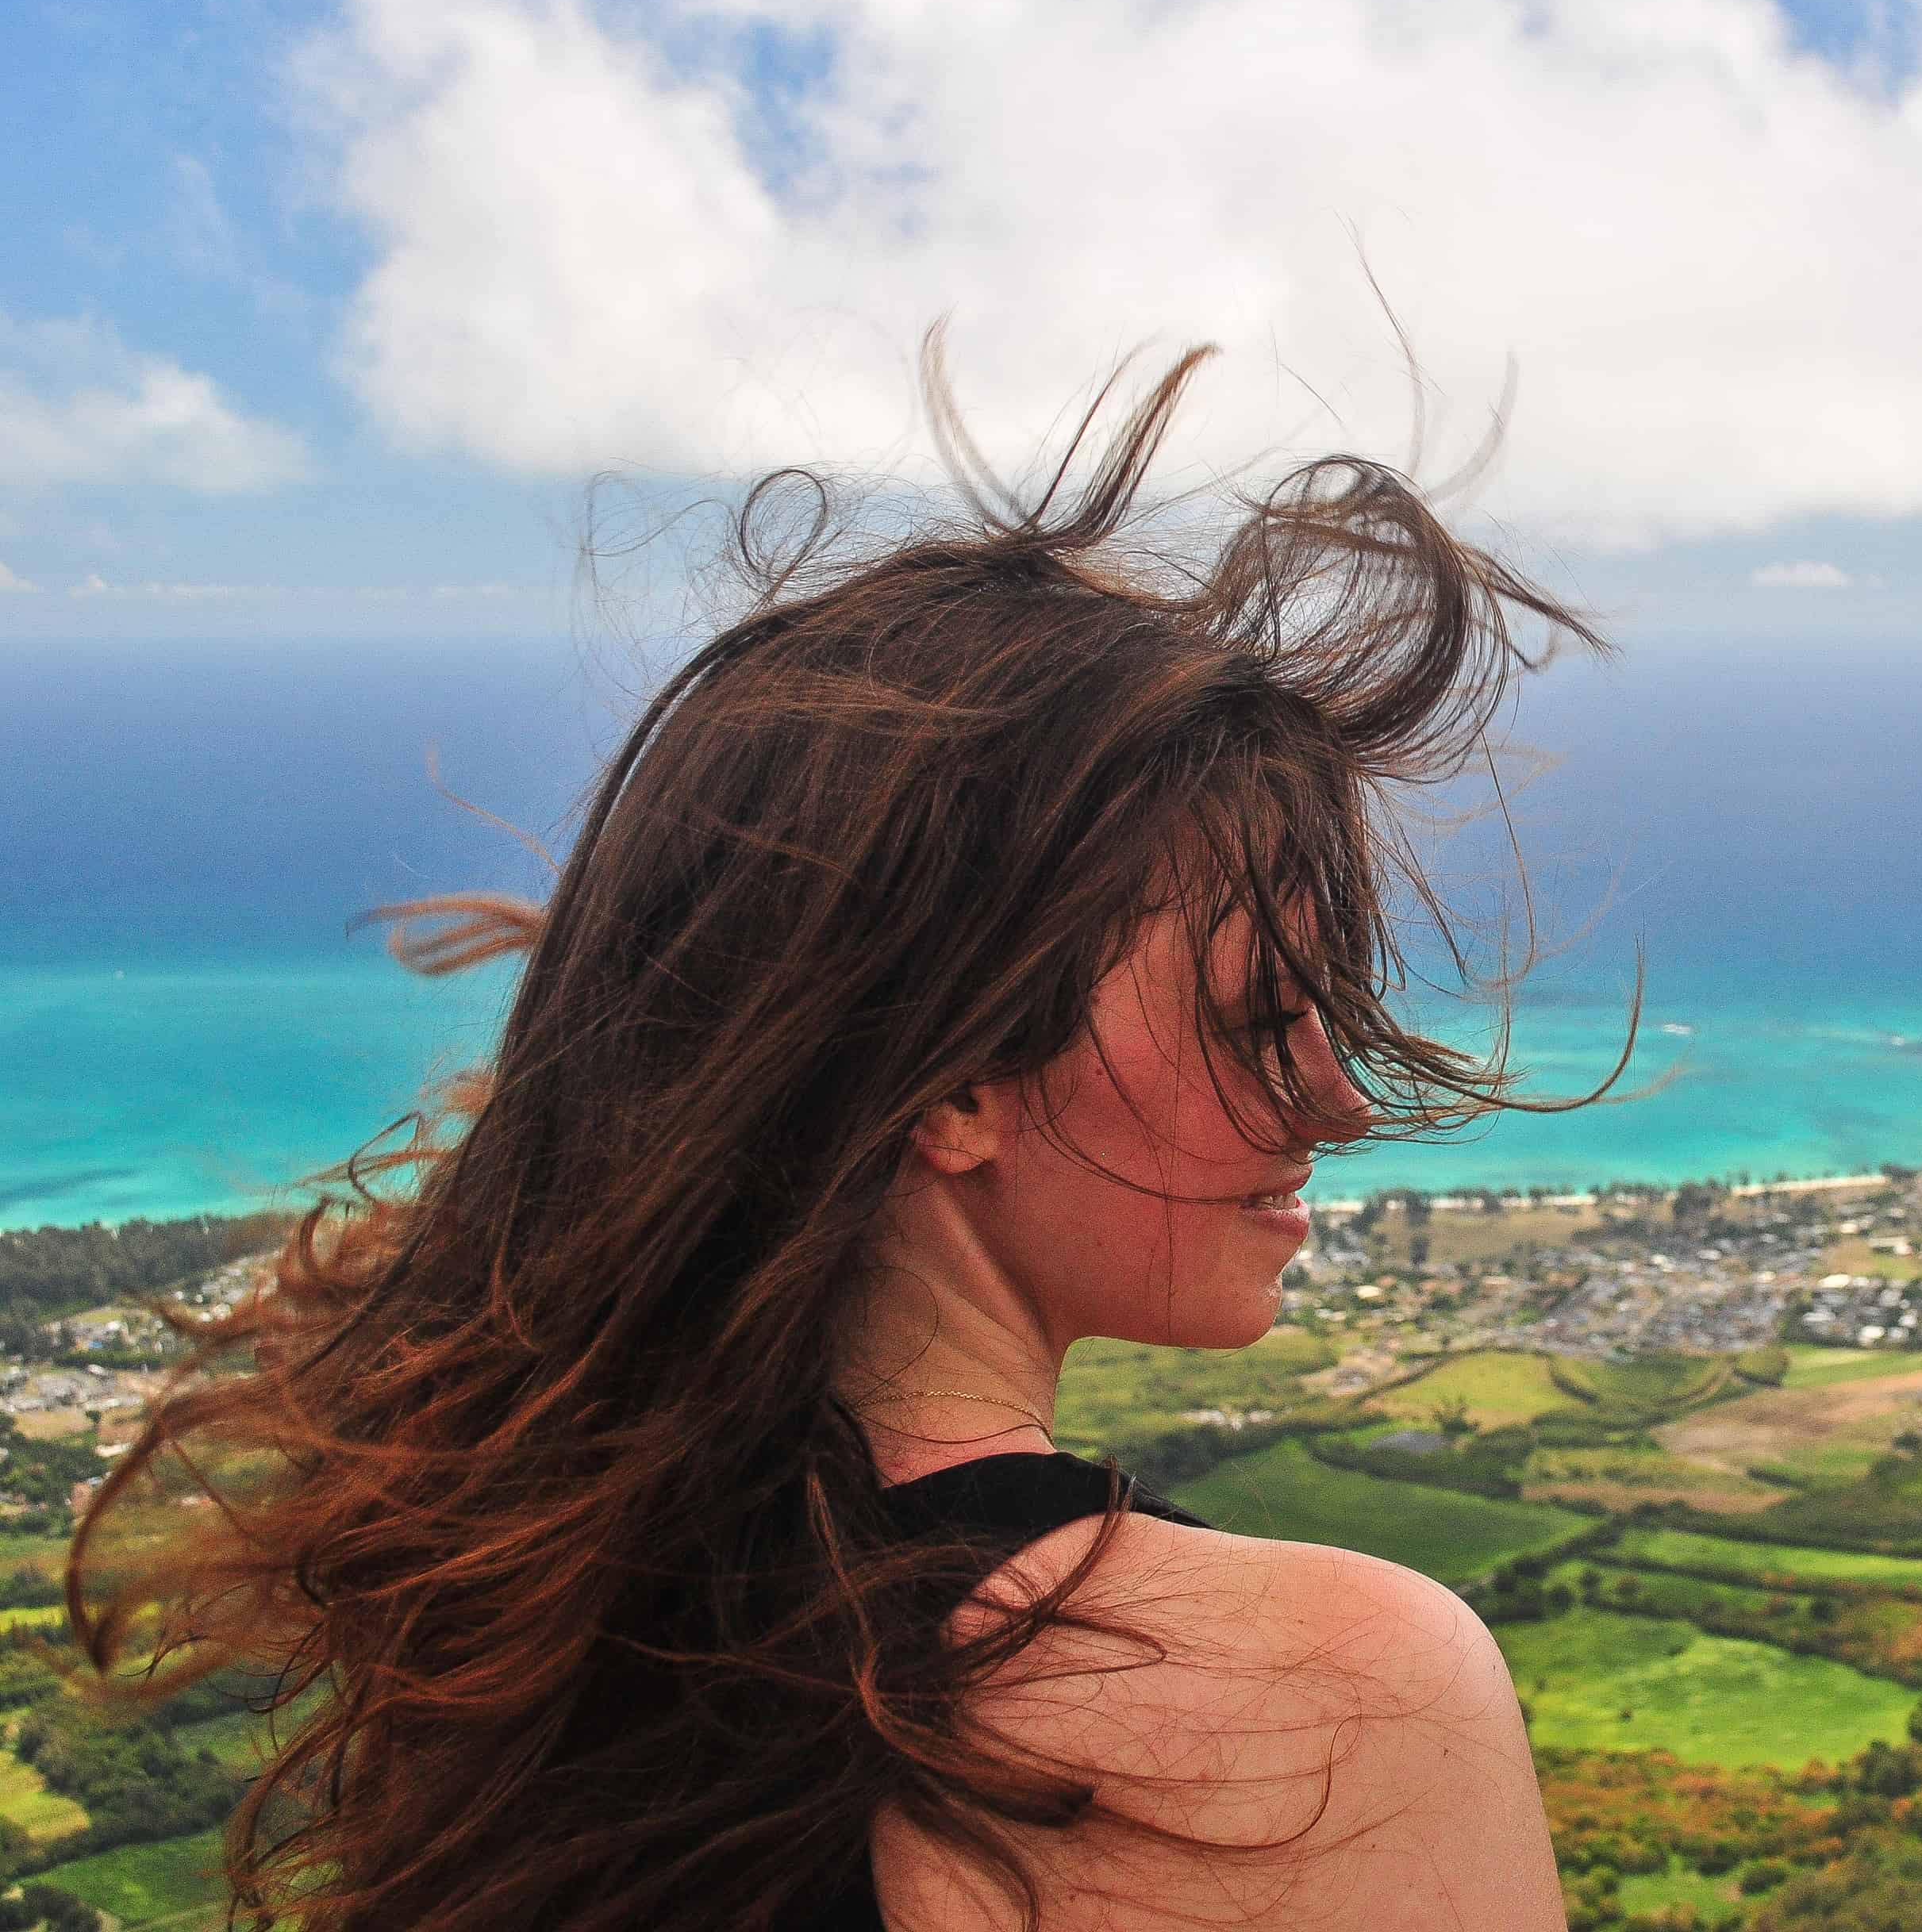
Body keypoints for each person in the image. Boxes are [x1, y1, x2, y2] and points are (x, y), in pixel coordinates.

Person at [75, 343, 1620, 1930]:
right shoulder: (1340, 1702)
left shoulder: (532, 1662)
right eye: (1254, 1023)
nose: (1338, 1106)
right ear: (951, 1078)